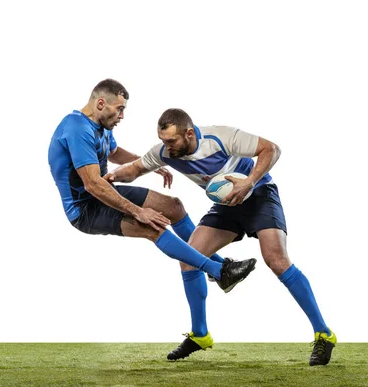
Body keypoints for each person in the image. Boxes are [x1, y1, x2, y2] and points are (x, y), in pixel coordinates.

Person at [104, 108, 336, 366]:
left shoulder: (219, 137)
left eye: (171, 141)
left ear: (189, 133)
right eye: (163, 141)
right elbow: (135, 169)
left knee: (276, 260)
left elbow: (271, 149)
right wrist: (113, 176)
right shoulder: (164, 152)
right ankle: (200, 334)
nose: (167, 148)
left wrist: (248, 182)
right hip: (226, 205)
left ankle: (323, 333)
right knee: (189, 257)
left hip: (259, 195)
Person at [47, 79, 258, 324]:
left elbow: (114, 153)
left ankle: (219, 267)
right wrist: (139, 212)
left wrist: (148, 165)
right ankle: (219, 271)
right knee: (152, 226)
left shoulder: (100, 127)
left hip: (104, 193)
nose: (122, 115)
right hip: (85, 209)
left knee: (173, 207)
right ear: (101, 103)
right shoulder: (76, 128)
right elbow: (92, 184)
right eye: (119, 109)